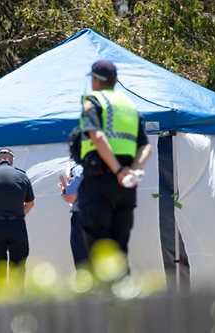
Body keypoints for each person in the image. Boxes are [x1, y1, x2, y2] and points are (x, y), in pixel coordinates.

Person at [77, 59, 152, 258]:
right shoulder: (129, 106)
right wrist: (131, 171)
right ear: (115, 80)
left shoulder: (92, 101)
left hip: (100, 183)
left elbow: (98, 137)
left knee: (100, 253)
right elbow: (146, 147)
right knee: (120, 252)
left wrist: (118, 170)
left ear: (94, 80)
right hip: (126, 187)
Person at [0, 148, 34, 294]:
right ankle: (17, 305)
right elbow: (30, 203)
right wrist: (16, 212)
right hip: (17, 225)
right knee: (18, 270)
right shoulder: (22, 175)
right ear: (12, 160)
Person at [58, 164, 88, 268]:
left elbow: (71, 198)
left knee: (82, 260)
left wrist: (64, 194)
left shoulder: (78, 169)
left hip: (83, 216)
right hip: (105, 215)